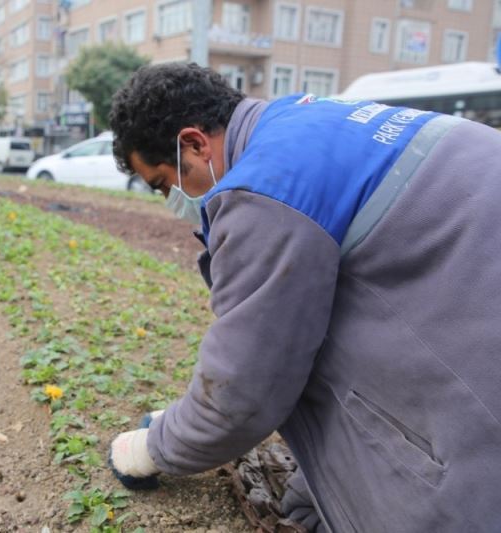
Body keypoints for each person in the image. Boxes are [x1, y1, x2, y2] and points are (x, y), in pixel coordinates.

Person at [106, 62, 501, 532]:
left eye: (166, 182)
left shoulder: (266, 190)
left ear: (194, 143)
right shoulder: (301, 117)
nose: (173, 197)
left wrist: (156, 448)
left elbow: (245, 389)